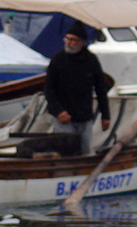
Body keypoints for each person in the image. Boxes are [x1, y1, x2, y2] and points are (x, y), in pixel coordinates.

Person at [44, 19, 111, 155]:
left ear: (82, 43)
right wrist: (59, 111)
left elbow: (100, 89)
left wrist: (106, 116)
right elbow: (48, 89)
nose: (69, 43)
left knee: (84, 151)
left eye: (73, 40)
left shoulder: (91, 61)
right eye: (67, 39)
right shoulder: (58, 59)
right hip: (63, 118)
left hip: (85, 117)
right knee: (66, 152)